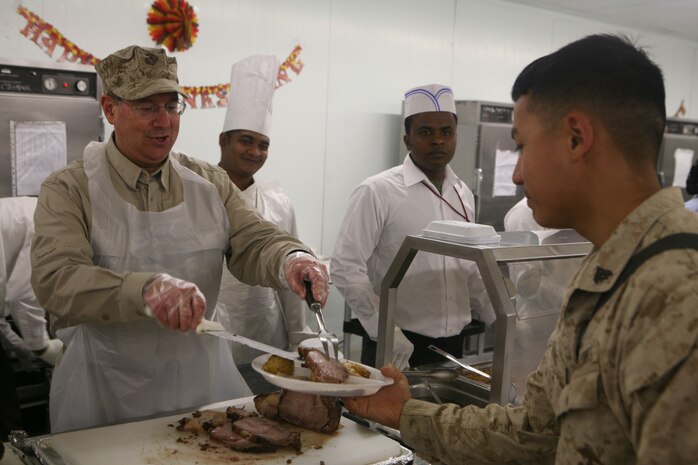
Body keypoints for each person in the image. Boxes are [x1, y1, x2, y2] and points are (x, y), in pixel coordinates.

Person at [344, 34, 698, 464]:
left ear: (575, 138)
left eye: (521, 146)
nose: (515, 175)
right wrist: (406, 413)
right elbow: (537, 430)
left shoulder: (678, 288)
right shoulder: (605, 271)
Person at [30, 45, 329, 433]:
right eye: (146, 107)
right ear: (110, 109)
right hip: (105, 388)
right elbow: (57, 279)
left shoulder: (209, 183)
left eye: (172, 107)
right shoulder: (70, 188)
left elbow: (254, 239)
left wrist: (291, 257)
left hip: (200, 385)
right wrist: (145, 291)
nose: (163, 121)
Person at [331, 84, 493, 370]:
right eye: (426, 132)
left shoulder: (463, 193)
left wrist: (500, 316)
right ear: (407, 139)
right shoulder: (378, 191)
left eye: (446, 132)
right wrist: (387, 332)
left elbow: (469, 270)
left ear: (456, 137)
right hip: (397, 346)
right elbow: (345, 268)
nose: (438, 141)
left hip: (454, 346)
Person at [216, 54, 308, 392]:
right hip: (210, 342)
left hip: (266, 341)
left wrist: (301, 342)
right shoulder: (197, 193)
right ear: (223, 140)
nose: (255, 151)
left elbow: (294, 276)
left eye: (263, 144)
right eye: (246, 140)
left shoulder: (279, 202)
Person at [1, 196, 63, 367]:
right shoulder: (52, 223)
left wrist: (18, 344)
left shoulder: (42, 210)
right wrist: (41, 348)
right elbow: (22, 296)